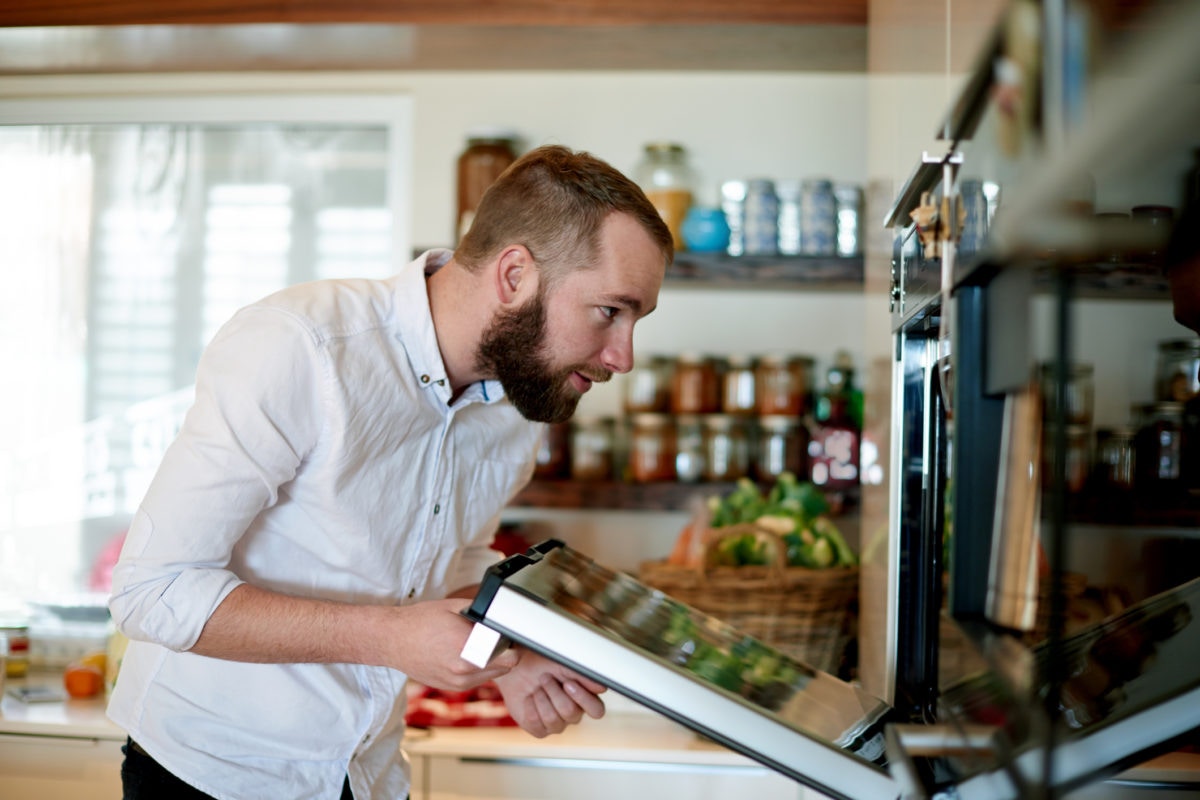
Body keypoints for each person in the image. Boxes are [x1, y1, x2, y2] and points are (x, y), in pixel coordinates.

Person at [106, 144, 674, 799]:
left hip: (369, 777)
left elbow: (455, 565)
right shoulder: (301, 345)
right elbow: (154, 593)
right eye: (610, 310)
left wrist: (507, 656)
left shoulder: (517, 409)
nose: (624, 356)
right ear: (515, 274)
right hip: (209, 775)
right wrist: (391, 636)